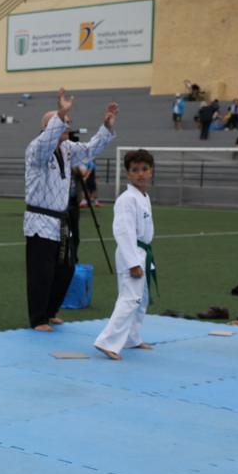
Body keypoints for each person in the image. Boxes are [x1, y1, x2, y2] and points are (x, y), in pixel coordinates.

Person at [23, 89, 117, 331]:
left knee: (66, 268)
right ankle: (38, 318)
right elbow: (46, 142)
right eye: (63, 121)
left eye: (67, 121)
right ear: (49, 127)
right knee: (41, 272)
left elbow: (89, 150)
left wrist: (106, 127)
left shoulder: (67, 149)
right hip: (40, 220)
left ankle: (51, 311)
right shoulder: (36, 149)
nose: (68, 124)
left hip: (61, 222)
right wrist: (61, 111)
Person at [94, 149, 157, 360]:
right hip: (132, 252)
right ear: (128, 173)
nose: (140, 174)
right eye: (135, 170)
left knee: (142, 299)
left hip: (143, 252)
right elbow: (123, 231)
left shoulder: (143, 197)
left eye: (145, 169)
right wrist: (133, 263)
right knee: (130, 298)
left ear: (151, 171)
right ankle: (106, 342)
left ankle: (132, 338)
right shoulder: (126, 199)